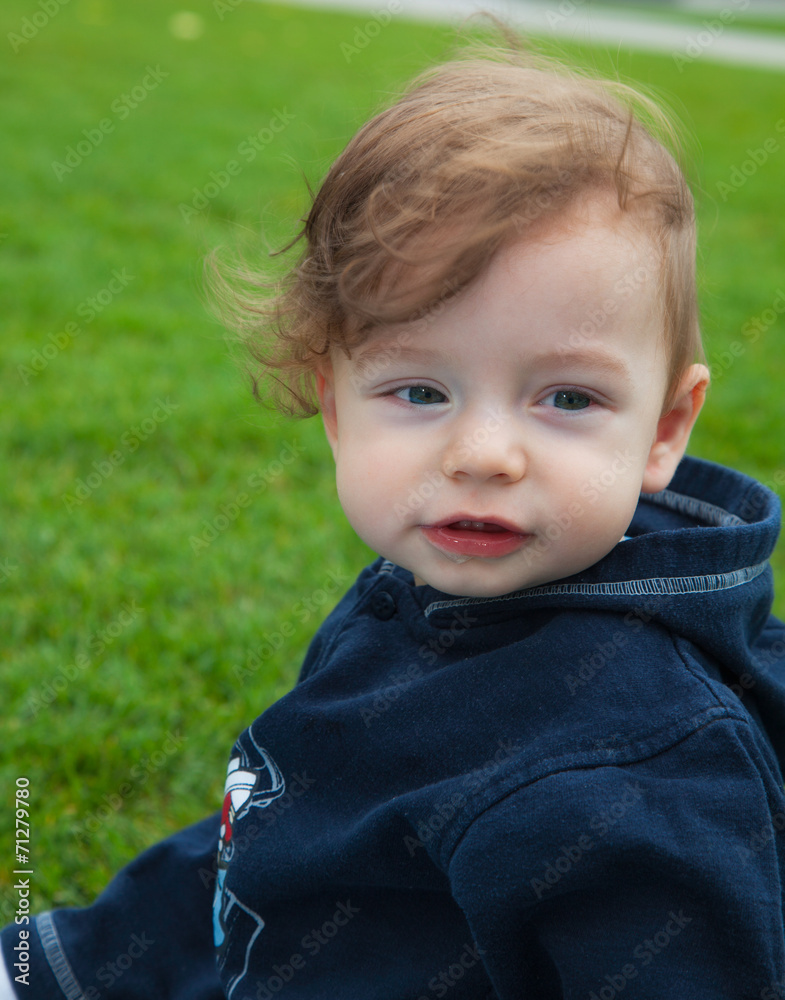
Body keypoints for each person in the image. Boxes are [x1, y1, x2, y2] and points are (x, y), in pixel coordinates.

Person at [3, 33, 785, 1000]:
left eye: (568, 399)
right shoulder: (419, 596)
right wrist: (59, 967)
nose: (483, 454)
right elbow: (273, 833)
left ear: (664, 429)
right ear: (334, 411)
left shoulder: (647, 769)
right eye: (419, 391)